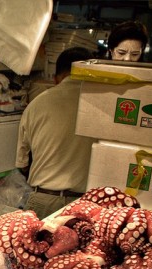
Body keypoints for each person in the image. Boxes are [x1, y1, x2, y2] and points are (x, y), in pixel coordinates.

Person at [16, 47, 97, 220]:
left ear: (55, 78)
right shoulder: (102, 108)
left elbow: (22, 164)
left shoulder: (35, 105)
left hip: (42, 200)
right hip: (84, 204)